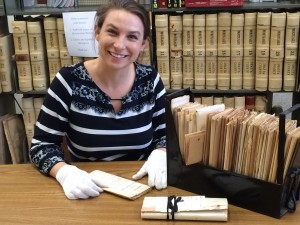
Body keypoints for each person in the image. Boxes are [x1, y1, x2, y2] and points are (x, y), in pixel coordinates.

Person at [29, 0, 167, 200]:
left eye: (132, 36)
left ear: (143, 43)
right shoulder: (68, 80)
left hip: (142, 189)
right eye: (112, 32)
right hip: (86, 190)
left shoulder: (150, 80)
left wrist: (161, 153)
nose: (119, 45)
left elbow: (165, 136)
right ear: (97, 31)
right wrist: (64, 173)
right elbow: (42, 144)